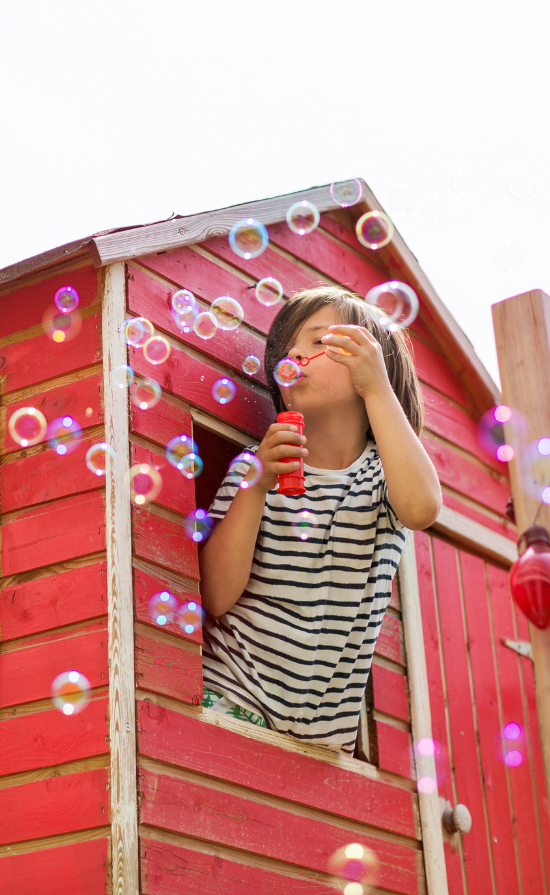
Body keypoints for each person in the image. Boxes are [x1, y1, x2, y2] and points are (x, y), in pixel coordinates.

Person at [198, 285, 442, 753]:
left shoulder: (384, 475)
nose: (294, 353)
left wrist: (377, 387)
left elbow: (422, 508)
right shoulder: (257, 466)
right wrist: (256, 488)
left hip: (321, 743)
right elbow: (214, 595)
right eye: (288, 347)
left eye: (318, 341)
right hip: (230, 699)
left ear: (369, 361)